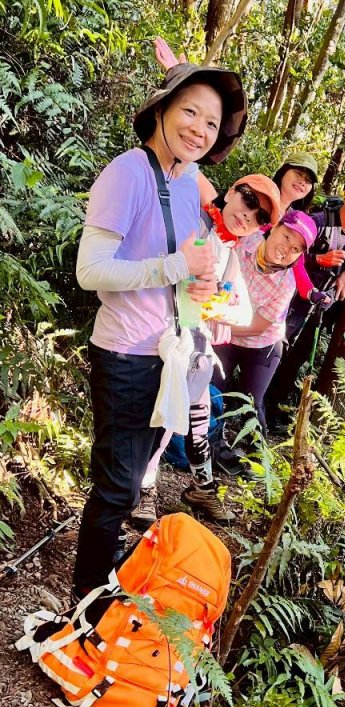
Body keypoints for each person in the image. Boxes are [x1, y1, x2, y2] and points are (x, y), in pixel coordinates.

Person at [72, 60, 247, 596]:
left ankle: (103, 583)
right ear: (161, 110)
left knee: (129, 484)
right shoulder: (127, 173)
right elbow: (90, 271)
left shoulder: (187, 177)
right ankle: (84, 600)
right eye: (189, 112)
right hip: (125, 353)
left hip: (167, 354)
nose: (199, 128)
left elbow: (188, 255)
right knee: (116, 488)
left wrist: (192, 292)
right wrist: (174, 269)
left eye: (212, 123)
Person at [131, 173, 281, 526]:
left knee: (196, 416)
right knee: (170, 420)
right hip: (154, 338)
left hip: (189, 345)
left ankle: (202, 487)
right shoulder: (193, 223)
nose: (248, 214)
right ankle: (145, 489)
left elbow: (242, 310)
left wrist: (216, 308)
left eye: (260, 216)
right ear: (231, 192)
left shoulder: (229, 252)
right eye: (247, 199)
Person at [266, 176, 345, 425]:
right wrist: (318, 260)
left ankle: (271, 408)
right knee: (273, 349)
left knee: (296, 358)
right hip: (291, 300)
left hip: (319, 309)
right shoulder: (319, 221)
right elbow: (284, 253)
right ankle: (252, 401)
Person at [212, 210, 318, 434]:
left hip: (262, 345)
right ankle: (210, 444)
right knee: (213, 391)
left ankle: (257, 458)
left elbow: (258, 327)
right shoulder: (244, 241)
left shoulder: (286, 284)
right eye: (287, 236)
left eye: (295, 249)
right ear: (275, 227)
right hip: (224, 332)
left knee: (250, 403)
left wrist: (213, 324)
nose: (286, 248)